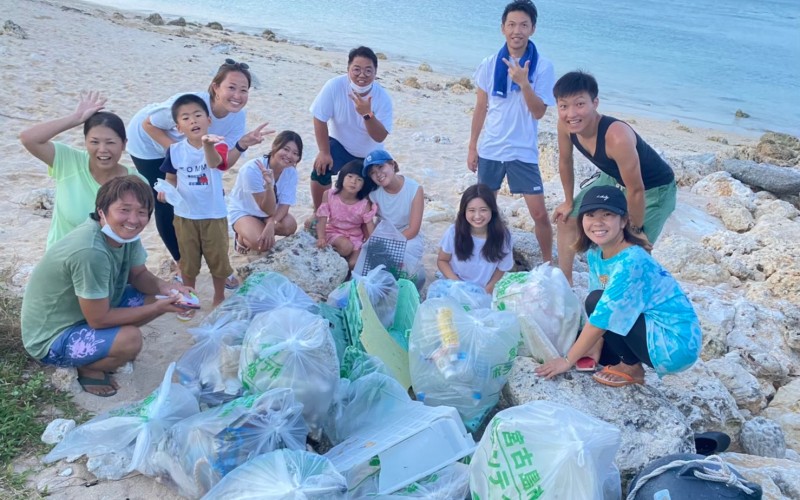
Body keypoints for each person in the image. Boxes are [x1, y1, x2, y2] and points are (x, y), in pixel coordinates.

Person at [21, 176, 193, 397]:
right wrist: (159, 309)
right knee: (130, 339)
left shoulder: (125, 235)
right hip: (51, 337)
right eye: (124, 210)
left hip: (85, 311)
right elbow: (98, 320)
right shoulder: (90, 251)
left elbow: (138, 274)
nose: (133, 219)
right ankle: (89, 367)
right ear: (102, 210)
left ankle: (103, 348)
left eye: (142, 212)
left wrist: (168, 289)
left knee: (155, 297)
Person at [536, 186, 701, 387]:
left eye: (607, 214)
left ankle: (631, 367)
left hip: (675, 344)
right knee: (589, 339)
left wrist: (566, 361)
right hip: (647, 328)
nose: (598, 222)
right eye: (590, 215)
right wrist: (595, 347)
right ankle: (623, 360)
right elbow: (599, 306)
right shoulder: (596, 253)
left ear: (624, 221)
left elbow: (602, 314)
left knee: (594, 307)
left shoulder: (632, 261)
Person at [126, 59, 271, 286]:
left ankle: (214, 263)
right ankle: (181, 263)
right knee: (168, 199)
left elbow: (222, 164)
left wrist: (243, 143)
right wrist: (179, 155)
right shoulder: (191, 104)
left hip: (188, 152)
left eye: (244, 90)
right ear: (215, 87)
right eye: (231, 87)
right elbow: (148, 124)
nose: (237, 95)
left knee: (198, 195)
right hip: (147, 143)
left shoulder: (237, 118)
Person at [551, 70, 677, 284]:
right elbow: (565, 161)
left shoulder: (616, 136)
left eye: (579, 104)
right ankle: (565, 281)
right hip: (612, 178)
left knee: (633, 249)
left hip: (654, 189)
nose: (571, 113)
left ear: (595, 102)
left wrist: (634, 230)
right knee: (567, 219)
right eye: (564, 106)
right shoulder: (566, 126)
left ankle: (636, 295)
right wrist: (568, 201)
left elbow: (636, 189)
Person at [467, 0, 555, 264]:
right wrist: (472, 146)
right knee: (484, 209)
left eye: (524, 25)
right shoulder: (489, 63)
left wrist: (524, 83)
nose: (517, 30)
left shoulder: (543, 67)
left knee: (539, 213)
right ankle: (479, 256)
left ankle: (549, 261)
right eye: (512, 24)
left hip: (523, 150)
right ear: (503, 28)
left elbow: (539, 112)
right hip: (491, 148)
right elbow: (481, 107)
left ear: (533, 29)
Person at [19, 91, 143, 249]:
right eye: (94, 142)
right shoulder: (69, 161)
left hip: (108, 263)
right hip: (61, 261)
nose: (102, 149)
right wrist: (76, 118)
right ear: (85, 142)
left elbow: (133, 232)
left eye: (110, 142)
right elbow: (28, 138)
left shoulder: (135, 182)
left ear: (124, 144)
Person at [158, 94, 233, 318]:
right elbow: (171, 177)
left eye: (198, 115)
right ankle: (190, 298)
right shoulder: (175, 151)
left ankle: (219, 296)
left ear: (208, 120)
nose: (193, 121)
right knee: (188, 263)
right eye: (186, 118)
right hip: (185, 216)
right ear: (178, 127)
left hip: (213, 214)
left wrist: (207, 145)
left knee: (218, 258)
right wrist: (166, 191)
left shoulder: (218, 143)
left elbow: (213, 164)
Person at [308, 46, 393, 215]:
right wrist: (324, 152)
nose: (362, 75)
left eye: (368, 70)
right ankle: (319, 213)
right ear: (348, 70)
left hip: (369, 153)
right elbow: (319, 118)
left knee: (381, 186)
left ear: (375, 72)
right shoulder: (334, 86)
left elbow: (380, 136)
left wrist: (367, 114)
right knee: (320, 168)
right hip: (341, 145)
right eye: (357, 69)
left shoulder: (383, 98)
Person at [228, 131, 303, 254]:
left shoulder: (291, 172)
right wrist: (269, 186)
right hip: (245, 211)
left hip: (269, 213)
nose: (289, 156)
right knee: (262, 244)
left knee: (290, 226)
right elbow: (266, 208)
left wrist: (271, 223)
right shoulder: (252, 169)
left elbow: (285, 205)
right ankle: (241, 237)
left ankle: (259, 227)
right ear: (274, 147)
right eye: (286, 149)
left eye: (295, 153)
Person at [437, 184, 513, 293]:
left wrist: (488, 289)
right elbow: (442, 260)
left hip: (485, 289)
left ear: (492, 210)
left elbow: (502, 268)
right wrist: (459, 285)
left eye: (483, 210)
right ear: (464, 211)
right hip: (455, 286)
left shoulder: (504, 236)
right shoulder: (454, 232)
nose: (477, 216)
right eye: (471, 210)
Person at [362, 150, 425, 281]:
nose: (378, 174)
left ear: (392, 164)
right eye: (372, 173)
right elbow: (366, 220)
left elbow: (413, 229)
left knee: (406, 257)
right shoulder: (373, 193)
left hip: (407, 235)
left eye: (380, 167)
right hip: (384, 233)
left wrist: (391, 246)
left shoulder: (414, 189)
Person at [315, 160, 377, 269]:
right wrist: (321, 238)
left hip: (355, 237)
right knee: (346, 247)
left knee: (353, 264)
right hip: (334, 232)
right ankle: (335, 254)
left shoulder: (364, 204)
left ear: (364, 185)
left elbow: (369, 225)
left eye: (359, 179)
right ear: (342, 177)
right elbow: (322, 219)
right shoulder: (330, 195)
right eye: (350, 176)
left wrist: (374, 243)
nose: (353, 182)